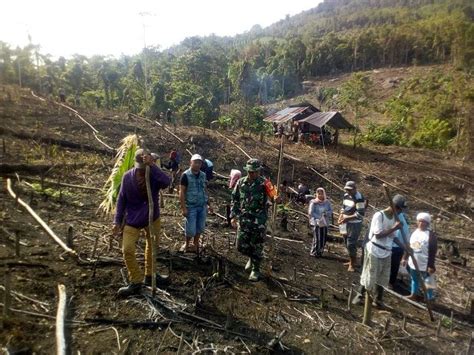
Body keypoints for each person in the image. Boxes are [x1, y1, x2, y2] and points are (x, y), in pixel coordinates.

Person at [113, 149, 171, 297]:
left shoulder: (153, 174)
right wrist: (117, 221)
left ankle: (150, 275)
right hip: (133, 220)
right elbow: (121, 200)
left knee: (152, 247)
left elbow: (166, 182)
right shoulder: (127, 177)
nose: (141, 171)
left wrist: (152, 166)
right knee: (127, 249)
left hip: (152, 218)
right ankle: (136, 280)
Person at [358, 197, 403, 307]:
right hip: (374, 249)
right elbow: (378, 235)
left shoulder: (394, 218)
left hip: (387, 251)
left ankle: (378, 299)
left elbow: (394, 237)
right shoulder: (379, 215)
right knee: (370, 274)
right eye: (400, 209)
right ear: (395, 207)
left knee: (383, 276)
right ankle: (360, 295)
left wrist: (405, 247)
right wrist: (394, 228)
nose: (400, 212)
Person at [231, 159, 270, 282]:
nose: (252, 174)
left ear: (259, 171)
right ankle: (251, 258)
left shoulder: (265, 183)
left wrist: (276, 198)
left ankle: (255, 270)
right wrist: (233, 216)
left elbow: (274, 196)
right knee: (240, 246)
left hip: (259, 221)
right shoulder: (241, 182)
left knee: (257, 246)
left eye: (254, 172)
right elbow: (235, 199)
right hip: (244, 219)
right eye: (250, 171)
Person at [179, 154, 211, 255]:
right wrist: (184, 208)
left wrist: (209, 203)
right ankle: (187, 243)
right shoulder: (185, 175)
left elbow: (204, 189)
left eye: (199, 162)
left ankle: (195, 243)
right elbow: (182, 192)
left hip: (202, 205)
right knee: (191, 230)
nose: (197, 164)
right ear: (191, 162)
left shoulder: (203, 175)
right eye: (195, 162)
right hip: (191, 206)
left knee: (200, 227)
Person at [402, 212, 437, 301]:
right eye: (419, 221)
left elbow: (433, 252)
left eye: (423, 222)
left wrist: (431, 265)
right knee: (414, 279)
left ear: (427, 223)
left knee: (428, 280)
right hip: (414, 261)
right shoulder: (415, 233)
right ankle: (414, 294)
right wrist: (405, 258)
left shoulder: (430, 235)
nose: (421, 223)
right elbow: (410, 246)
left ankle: (429, 298)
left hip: (425, 262)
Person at [338, 181, 366, 272]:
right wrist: (340, 216)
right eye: (347, 190)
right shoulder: (346, 195)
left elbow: (360, 214)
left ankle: (352, 264)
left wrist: (347, 218)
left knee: (351, 243)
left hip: (354, 223)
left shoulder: (359, 198)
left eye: (350, 190)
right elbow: (343, 207)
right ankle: (352, 260)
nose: (348, 192)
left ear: (355, 189)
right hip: (344, 221)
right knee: (345, 240)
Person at [389, 194, 409, 289]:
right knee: (391, 265)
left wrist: (405, 247)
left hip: (399, 246)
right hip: (393, 245)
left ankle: (391, 282)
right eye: (398, 208)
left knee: (394, 266)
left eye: (401, 208)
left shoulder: (401, 216)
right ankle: (388, 282)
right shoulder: (391, 216)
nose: (400, 210)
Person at [308, 188, 333, 257]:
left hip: (325, 222)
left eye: (321, 193)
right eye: (318, 193)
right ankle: (314, 252)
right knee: (317, 237)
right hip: (316, 222)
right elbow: (310, 212)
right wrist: (318, 217)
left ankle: (320, 252)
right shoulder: (313, 202)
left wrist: (326, 213)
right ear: (316, 194)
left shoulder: (327, 202)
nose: (320, 195)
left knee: (324, 238)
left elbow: (331, 211)